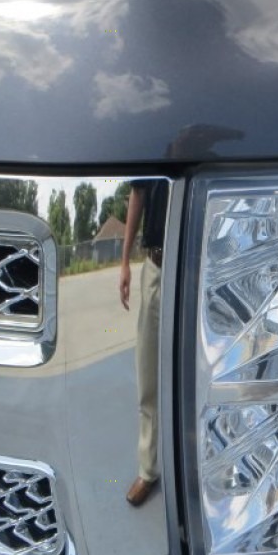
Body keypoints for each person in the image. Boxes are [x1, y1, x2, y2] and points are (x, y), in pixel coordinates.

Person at [119, 179, 169, 506]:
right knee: (148, 371)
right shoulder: (158, 136)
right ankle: (148, 469)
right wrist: (124, 262)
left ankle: (201, 466)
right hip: (156, 264)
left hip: (197, 265)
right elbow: (137, 192)